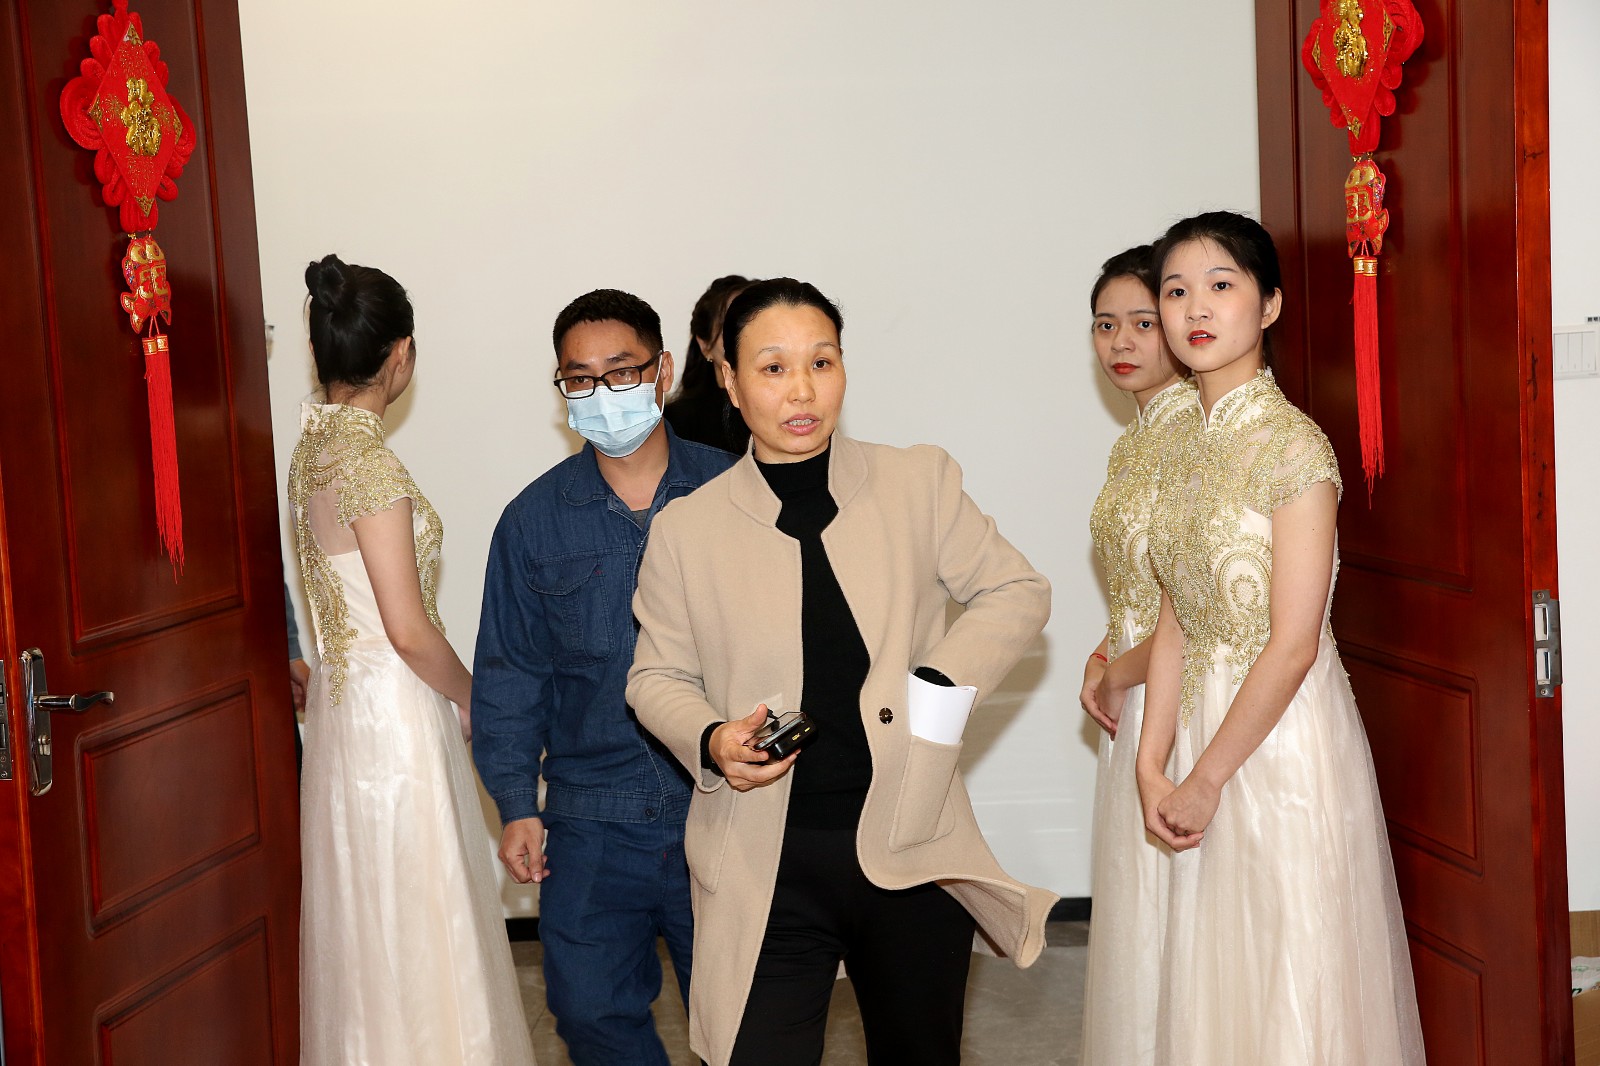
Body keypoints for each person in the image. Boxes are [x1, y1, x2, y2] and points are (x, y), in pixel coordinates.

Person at [627, 278, 1056, 1066]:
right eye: (773, 368)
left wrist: (936, 684)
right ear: (728, 380)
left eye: (821, 363)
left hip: (911, 843)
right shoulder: (686, 530)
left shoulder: (917, 482)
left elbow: (1017, 591)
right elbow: (655, 677)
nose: (802, 391)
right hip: (763, 860)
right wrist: (713, 738)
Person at [1132, 212, 1424, 1063]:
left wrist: (1205, 778)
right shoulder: (1180, 445)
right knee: (1218, 974)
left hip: (1281, 740)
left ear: (1269, 306)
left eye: (1221, 285)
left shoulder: (1295, 448)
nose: (1195, 307)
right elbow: (1177, 612)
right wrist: (1153, 762)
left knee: (1289, 972)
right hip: (1197, 730)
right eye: (1176, 290)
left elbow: (1295, 643)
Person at [471, 289, 736, 1065]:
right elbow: (510, 674)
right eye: (579, 379)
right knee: (588, 1016)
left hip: (722, 806)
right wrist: (515, 805)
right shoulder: (533, 520)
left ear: (663, 372)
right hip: (591, 819)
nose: (601, 393)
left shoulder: (735, 493)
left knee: (743, 1021)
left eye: (621, 372)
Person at [289, 254, 535, 1066]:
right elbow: (409, 630)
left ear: (319, 351)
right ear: (401, 355)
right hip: (393, 715)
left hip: (343, 714)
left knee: (371, 922)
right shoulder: (369, 465)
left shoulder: (311, 453)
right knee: (421, 916)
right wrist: (479, 697)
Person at [1078, 244, 1196, 1066]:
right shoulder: (1138, 435)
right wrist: (1104, 647)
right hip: (1137, 679)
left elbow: (1203, 605)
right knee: (1145, 912)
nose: (1121, 341)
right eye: (1105, 324)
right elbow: (1141, 578)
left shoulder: (1192, 431)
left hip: (1178, 689)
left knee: (1179, 911)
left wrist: (1114, 670)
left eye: (1143, 323)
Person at [663, 274, 753, 453]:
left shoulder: (790, 403)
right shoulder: (676, 422)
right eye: (730, 326)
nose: (743, 336)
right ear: (704, 345)